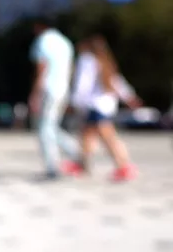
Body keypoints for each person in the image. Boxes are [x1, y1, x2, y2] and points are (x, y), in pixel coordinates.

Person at [68, 35, 142, 181]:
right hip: (106, 105)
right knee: (87, 136)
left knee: (108, 138)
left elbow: (83, 84)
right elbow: (117, 82)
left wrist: (74, 102)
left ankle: (124, 166)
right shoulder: (106, 62)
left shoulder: (87, 60)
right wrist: (130, 98)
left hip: (94, 105)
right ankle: (82, 164)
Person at [28, 19, 81, 179]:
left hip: (48, 89)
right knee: (51, 126)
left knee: (44, 128)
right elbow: (71, 68)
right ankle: (78, 152)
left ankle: (52, 167)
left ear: (39, 27)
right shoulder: (65, 42)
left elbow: (42, 68)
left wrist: (35, 93)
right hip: (62, 89)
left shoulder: (43, 41)